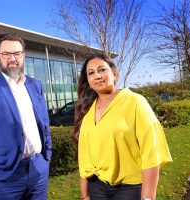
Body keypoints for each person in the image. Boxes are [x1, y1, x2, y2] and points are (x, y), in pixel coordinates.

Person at [73, 53, 172, 200]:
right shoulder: (87, 109)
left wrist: (147, 197)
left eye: (102, 70)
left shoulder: (135, 102)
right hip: (96, 187)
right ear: (88, 80)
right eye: (91, 73)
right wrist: (84, 193)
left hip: (130, 189)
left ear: (114, 73)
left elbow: (151, 152)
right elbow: (84, 154)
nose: (97, 76)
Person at [0, 33, 52, 200]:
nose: (12, 58)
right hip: (5, 176)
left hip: (38, 169)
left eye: (16, 53)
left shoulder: (35, 85)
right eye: (6, 54)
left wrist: (46, 156)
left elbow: (44, 123)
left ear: (23, 56)